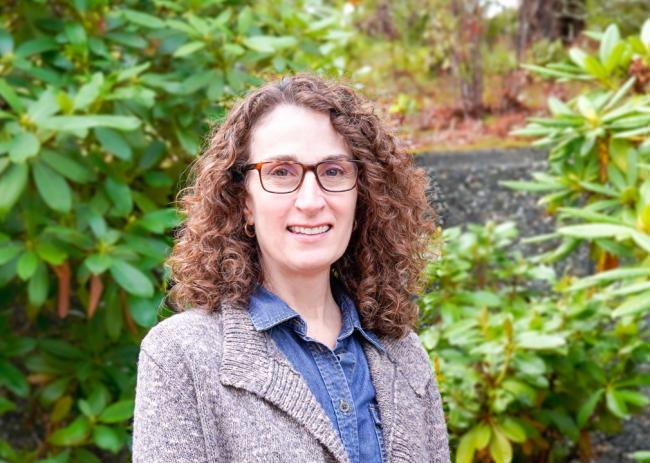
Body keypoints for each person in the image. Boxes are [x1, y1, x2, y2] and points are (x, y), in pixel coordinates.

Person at [132, 74, 450, 462]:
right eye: (281, 172)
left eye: (333, 171)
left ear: (362, 195)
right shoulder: (182, 355)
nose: (311, 200)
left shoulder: (404, 356)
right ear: (244, 201)